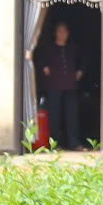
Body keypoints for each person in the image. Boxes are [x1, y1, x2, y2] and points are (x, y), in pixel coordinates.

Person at [35, 19, 86, 149]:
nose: (62, 34)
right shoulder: (49, 48)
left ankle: (74, 143)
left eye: (64, 31)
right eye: (59, 31)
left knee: (72, 115)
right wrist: (45, 68)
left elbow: (83, 60)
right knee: (54, 115)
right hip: (54, 85)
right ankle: (55, 144)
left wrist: (80, 72)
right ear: (55, 33)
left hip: (70, 85)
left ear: (68, 33)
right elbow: (40, 60)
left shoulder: (73, 48)